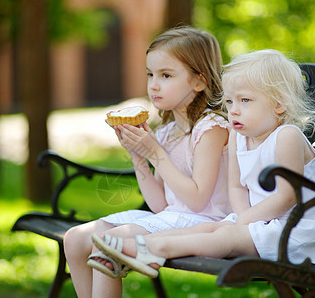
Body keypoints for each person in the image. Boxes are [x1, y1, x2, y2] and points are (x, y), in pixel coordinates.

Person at [90, 49, 315, 279]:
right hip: (260, 223)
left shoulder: (287, 136)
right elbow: (237, 188)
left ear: (279, 104)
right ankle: (141, 247)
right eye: (229, 102)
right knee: (210, 228)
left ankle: (153, 249)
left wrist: (244, 221)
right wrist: (242, 217)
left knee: (225, 234)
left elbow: (286, 197)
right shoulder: (239, 136)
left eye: (245, 101)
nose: (234, 111)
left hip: (294, 231)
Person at [63, 26, 231, 297]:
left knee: (106, 244)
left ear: (199, 82)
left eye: (166, 75)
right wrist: (137, 155)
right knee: (75, 239)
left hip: (207, 224)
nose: (153, 84)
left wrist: (155, 153)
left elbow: (198, 201)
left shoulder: (212, 128)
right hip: (172, 218)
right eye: (150, 74)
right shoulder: (167, 132)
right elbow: (161, 205)